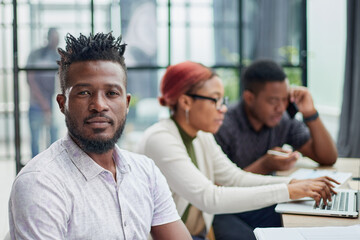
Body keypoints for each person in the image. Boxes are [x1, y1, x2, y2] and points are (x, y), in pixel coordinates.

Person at [9, 32, 192, 240]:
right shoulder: (41, 183)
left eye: (112, 93)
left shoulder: (146, 172)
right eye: (84, 93)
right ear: (62, 104)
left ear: (127, 103)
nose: (99, 105)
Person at [137, 61, 338, 240]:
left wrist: (294, 183)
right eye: (214, 100)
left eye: (222, 101)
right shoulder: (160, 139)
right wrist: (288, 190)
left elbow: (235, 178)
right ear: (186, 102)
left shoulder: (201, 135)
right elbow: (209, 198)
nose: (222, 108)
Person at [212, 59, 338, 239]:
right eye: (273, 101)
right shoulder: (223, 126)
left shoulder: (282, 120)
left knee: (314, 222)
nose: (280, 108)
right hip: (229, 210)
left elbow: (328, 157)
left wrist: (310, 112)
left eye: (285, 100)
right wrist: (264, 165)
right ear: (249, 98)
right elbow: (217, 190)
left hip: (265, 200)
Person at [26, 28, 60, 157]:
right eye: (53, 38)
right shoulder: (36, 55)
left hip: (52, 104)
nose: (55, 42)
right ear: (48, 38)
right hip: (36, 104)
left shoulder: (57, 56)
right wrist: (43, 102)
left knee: (53, 139)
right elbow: (30, 79)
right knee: (35, 139)